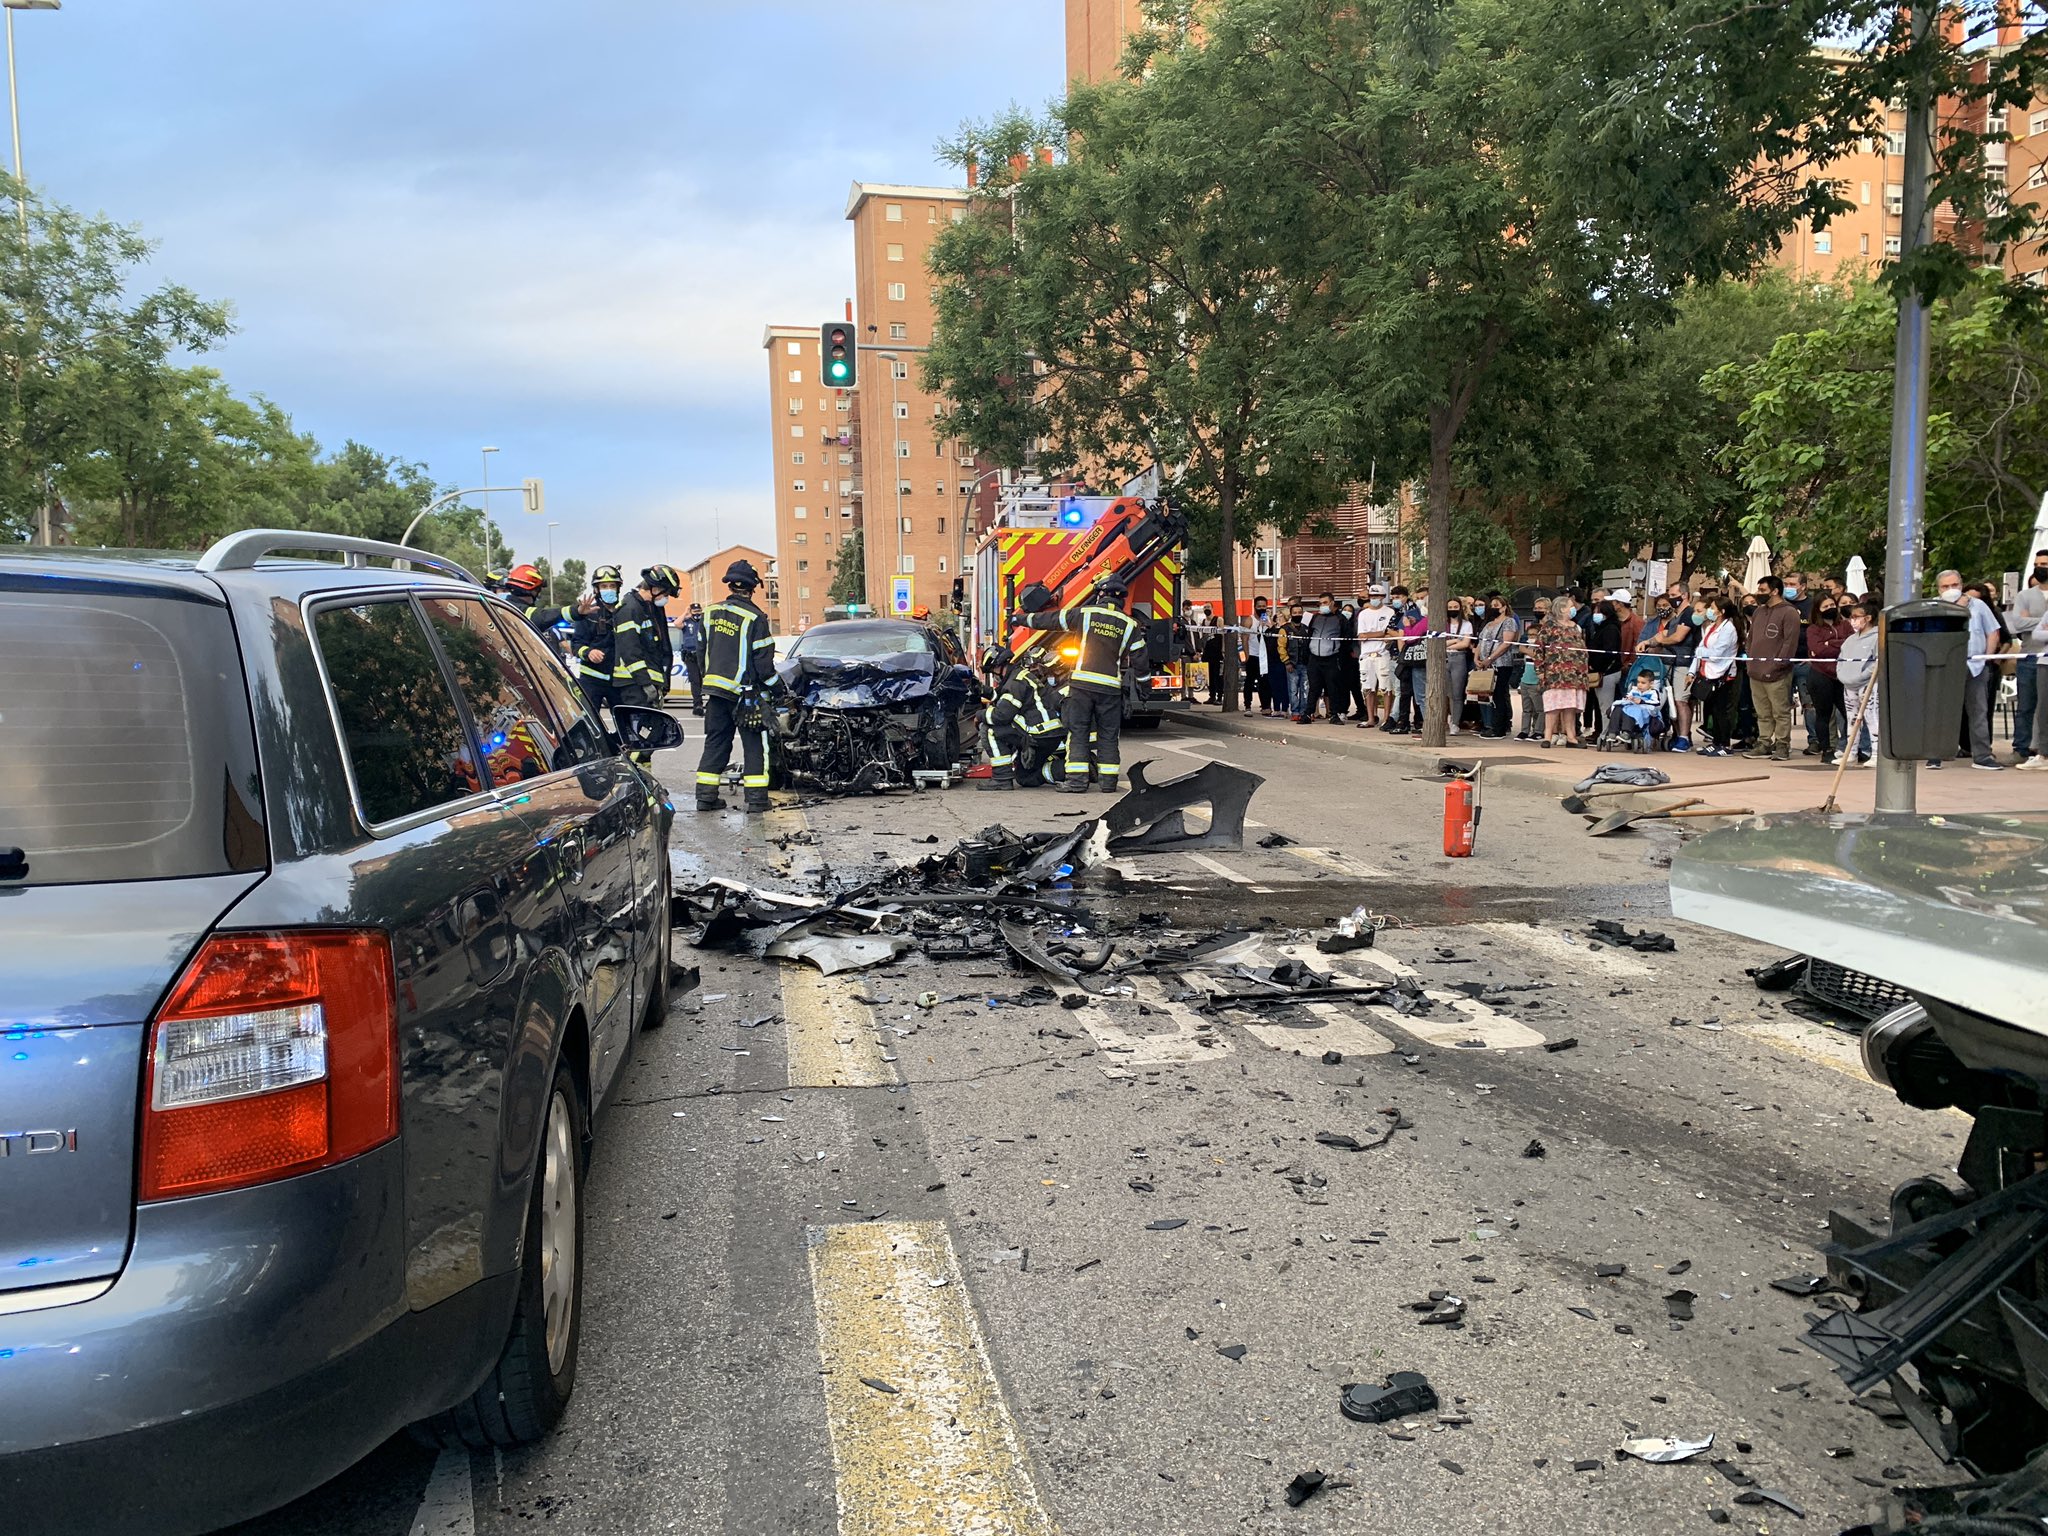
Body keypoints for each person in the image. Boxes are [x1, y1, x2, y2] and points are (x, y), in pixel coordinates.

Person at [1025, 574, 1145, 793]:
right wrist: (1143, 689)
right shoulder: (1129, 625)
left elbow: (1052, 621)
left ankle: (1077, 782)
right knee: (1108, 735)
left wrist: (1021, 620)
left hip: (1082, 687)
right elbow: (1141, 661)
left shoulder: (1086, 614)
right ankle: (1108, 783)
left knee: (1078, 732)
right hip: (1110, 689)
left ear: (1100, 594)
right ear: (1121, 599)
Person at [694, 559, 778, 811]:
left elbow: (700, 654)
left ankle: (705, 797)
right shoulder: (755, 618)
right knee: (754, 745)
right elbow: (764, 665)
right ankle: (756, 800)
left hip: (716, 692)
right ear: (753, 588)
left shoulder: (708, 613)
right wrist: (779, 690)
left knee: (716, 741)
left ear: (730, 585)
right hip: (747, 695)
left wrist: (710, 680)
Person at [1943, 571, 2006, 770]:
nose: (1950, 590)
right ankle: (1936, 755)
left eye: (1953, 585)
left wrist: (1987, 658)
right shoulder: (1935, 606)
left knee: (1979, 711)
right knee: (1941, 712)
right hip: (1944, 668)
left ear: (1961, 585)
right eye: (1945, 586)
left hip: (1976, 667)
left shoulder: (1978, 606)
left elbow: (1993, 632)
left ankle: (1982, 756)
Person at [979, 655, 1066, 790]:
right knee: (1024, 777)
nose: (994, 676)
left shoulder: (1016, 682)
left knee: (988, 729)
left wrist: (979, 715)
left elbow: (1002, 715)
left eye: (992, 672)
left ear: (998, 666)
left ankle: (1001, 778)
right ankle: (1068, 768)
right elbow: (1003, 696)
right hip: (1049, 734)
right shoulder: (1020, 676)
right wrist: (982, 691)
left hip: (1037, 733)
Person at [1744, 575, 1800, 761]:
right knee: (1762, 711)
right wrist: (1750, 659)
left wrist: (1779, 664)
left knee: (1780, 711)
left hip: (1777, 672)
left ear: (1775, 591)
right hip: (1755, 670)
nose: (1758, 594)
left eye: (1762, 590)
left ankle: (1783, 744)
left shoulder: (1789, 612)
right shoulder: (1759, 612)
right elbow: (1751, 637)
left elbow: (1789, 642)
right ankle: (1764, 742)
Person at [611, 564, 679, 716]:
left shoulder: (648, 608)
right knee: (638, 734)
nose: (666, 598)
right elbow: (630, 650)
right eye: (666, 593)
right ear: (655, 589)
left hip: (645, 684)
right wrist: (645, 683)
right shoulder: (630, 609)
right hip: (634, 685)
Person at [1532, 592, 1590, 747]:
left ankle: (1571, 737)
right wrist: (1539, 671)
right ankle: (1547, 736)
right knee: (1553, 706)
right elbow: (1539, 649)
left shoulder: (1576, 627)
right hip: (1555, 674)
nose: (1573, 609)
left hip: (1575, 674)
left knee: (1570, 706)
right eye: (1570, 607)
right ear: (1562, 609)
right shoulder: (1549, 626)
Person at [1689, 591, 1743, 756]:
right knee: (1711, 709)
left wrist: (1702, 651)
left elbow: (1716, 653)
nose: (1709, 611)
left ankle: (1725, 744)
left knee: (1721, 710)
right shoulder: (1711, 627)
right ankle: (1716, 741)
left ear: (1721, 611)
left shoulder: (1728, 629)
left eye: (1712, 608)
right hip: (1708, 672)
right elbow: (1701, 648)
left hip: (1723, 674)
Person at [2007, 560, 2048, 764]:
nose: (2041, 567)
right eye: (2038, 564)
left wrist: (2034, 619)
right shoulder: (2025, 596)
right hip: (2031, 656)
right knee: (2026, 705)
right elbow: (2019, 623)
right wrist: (2043, 621)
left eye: (2045, 564)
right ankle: (2021, 748)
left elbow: (2027, 622)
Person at [571, 564, 623, 718]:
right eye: (604, 586)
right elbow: (576, 645)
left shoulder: (624, 611)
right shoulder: (589, 614)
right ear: (596, 589)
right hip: (591, 681)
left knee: (625, 725)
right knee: (589, 723)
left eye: (612, 585)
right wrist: (588, 652)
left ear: (618, 588)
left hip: (619, 681)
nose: (609, 589)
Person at [1803, 596, 1849, 764]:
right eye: (1825, 606)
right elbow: (1817, 649)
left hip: (1842, 675)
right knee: (1823, 714)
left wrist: (1830, 644)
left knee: (1848, 713)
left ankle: (1852, 747)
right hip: (1820, 675)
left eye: (1832, 605)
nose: (1830, 608)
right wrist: (1833, 646)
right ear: (1818, 610)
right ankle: (1826, 749)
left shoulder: (1845, 625)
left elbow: (1850, 644)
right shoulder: (1813, 629)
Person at [1836, 601, 1880, 767]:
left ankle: (1876, 754)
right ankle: (1850, 753)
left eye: (1856, 617)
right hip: (1848, 685)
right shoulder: (1850, 640)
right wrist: (1842, 675)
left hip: (1867, 685)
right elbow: (1841, 659)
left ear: (1868, 618)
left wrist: (1863, 676)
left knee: (1871, 718)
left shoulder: (1877, 638)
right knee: (1852, 720)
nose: (1852, 620)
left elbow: (1877, 662)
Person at [1475, 597, 1522, 739]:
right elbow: (1480, 642)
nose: (1493, 607)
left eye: (1497, 605)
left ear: (1504, 607)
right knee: (1487, 695)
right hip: (1485, 664)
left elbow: (1506, 643)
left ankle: (1499, 728)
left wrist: (1490, 658)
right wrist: (1476, 658)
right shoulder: (1489, 623)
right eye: (1492, 605)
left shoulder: (1509, 622)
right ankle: (1489, 724)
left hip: (1501, 664)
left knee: (1499, 695)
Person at [1296, 592, 1346, 723]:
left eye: (1325, 603)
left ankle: (1334, 714)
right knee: (1314, 687)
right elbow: (1309, 636)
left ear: (1332, 603)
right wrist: (1307, 655)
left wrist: (1341, 657)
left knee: (1332, 687)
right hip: (1314, 658)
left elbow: (1346, 639)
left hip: (1331, 658)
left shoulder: (1340, 619)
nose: (1322, 606)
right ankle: (1308, 714)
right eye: (1320, 603)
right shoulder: (1315, 618)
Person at [1354, 587, 1396, 727]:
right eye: (1372, 595)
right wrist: (1380, 634)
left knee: (1386, 688)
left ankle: (1386, 718)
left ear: (1383, 596)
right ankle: (1371, 718)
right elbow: (1361, 636)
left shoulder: (1389, 612)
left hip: (1383, 654)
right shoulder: (1363, 614)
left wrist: (1371, 635)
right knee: (1367, 688)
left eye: (1377, 595)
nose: (1374, 598)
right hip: (1366, 655)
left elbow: (1389, 633)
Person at [1517, 597, 1549, 739]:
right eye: (1535, 608)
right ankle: (1524, 730)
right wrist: (1535, 653)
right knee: (1526, 708)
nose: (1537, 611)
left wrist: (1537, 654)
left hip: (1538, 678)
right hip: (1526, 679)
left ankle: (1538, 730)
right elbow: (1522, 647)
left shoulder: (1550, 628)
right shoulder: (1532, 627)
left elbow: (1544, 655)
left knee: (1539, 708)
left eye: (1540, 608)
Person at [1443, 598, 1475, 736]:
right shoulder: (1443, 624)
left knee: (1457, 693)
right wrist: (1456, 639)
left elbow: (1465, 644)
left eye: (1455, 606)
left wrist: (1449, 644)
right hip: (1443, 658)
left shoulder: (1467, 624)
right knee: (1446, 693)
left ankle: (1455, 723)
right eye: (1450, 607)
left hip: (1458, 658)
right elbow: (1439, 642)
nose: (1453, 609)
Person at [675, 601, 708, 716]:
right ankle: (697, 705)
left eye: (699, 611)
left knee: (705, 680)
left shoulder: (704, 622)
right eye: (695, 611)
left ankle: (709, 703)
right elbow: (677, 623)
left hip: (703, 655)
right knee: (695, 681)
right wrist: (685, 613)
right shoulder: (687, 622)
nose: (697, 613)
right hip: (691, 656)